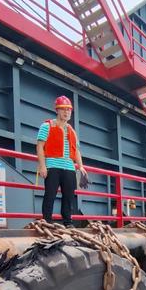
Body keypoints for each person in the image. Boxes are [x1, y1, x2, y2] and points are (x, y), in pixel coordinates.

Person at [36, 95, 87, 226]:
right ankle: (47, 221)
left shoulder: (72, 131)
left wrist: (80, 167)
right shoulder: (46, 126)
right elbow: (40, 146)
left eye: (69, 110)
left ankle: (68, 222)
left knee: (69, 197)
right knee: (50, 195)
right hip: (52, 165)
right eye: (63, 109)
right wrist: (42, 166)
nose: (66, 112)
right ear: (57, 110)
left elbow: (76, 151)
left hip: (69, 167)